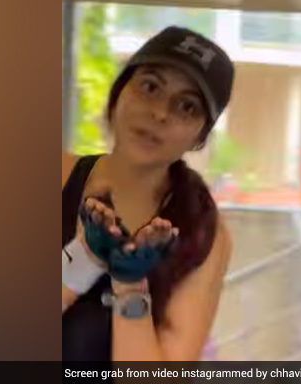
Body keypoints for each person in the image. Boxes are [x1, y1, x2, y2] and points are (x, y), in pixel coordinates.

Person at [61, 26, 235, 361]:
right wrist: (81, 261)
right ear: (119, 93)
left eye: (187, 106)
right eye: (150, 86)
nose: (160, 113)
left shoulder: (203, 234)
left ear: (199, 137)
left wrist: (130, 286)